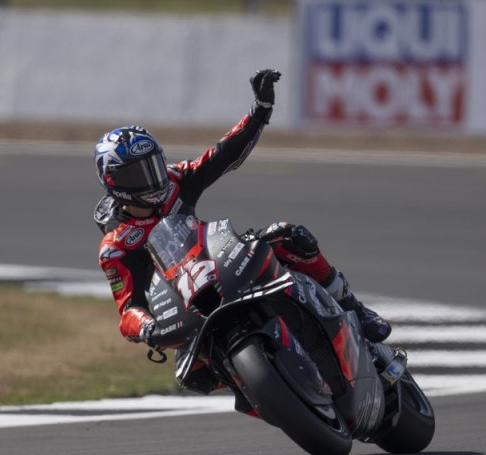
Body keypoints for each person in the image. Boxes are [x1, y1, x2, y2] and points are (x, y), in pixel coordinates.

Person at [93, 69, 391, 356]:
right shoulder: (116, 246)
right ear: (114, 182)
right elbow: (128, 308)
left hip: (217, 263)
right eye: (138, 174)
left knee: (290, 236)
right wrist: (148, 329)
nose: (152, 178)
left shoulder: (175, 181)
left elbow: (224, 154)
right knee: (192, 373)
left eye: (153, 166)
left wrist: (260, 110)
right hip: (181, 308)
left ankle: (355, 309)